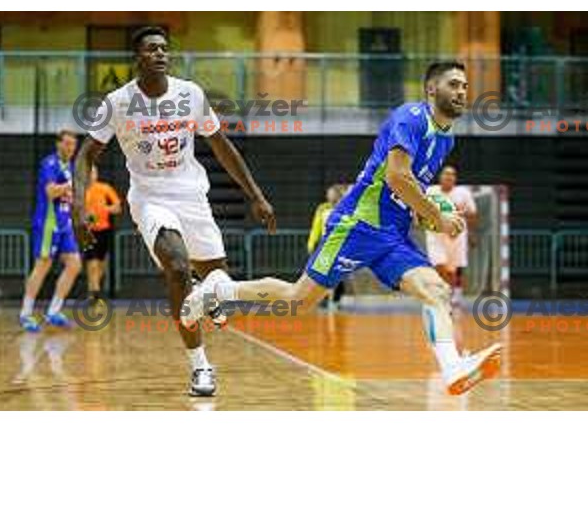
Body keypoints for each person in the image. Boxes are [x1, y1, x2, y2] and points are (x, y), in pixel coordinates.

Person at [184, 61, 501, 396]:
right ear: (431, 89)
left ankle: (452, 368)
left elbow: (412, 191)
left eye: (465, 86)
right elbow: (397, 176)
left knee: (436, 291)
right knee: (298, 300)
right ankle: (217, 291)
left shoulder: (445, 140)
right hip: (357, 226)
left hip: (393, 236)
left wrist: (428, 215)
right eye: (453, 84)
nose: (462, 92)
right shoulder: (411, 117)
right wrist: (438, 216)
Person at [72, 26, 275, 397]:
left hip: (192, 195)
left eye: (165, 48)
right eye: (152, 49)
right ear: (138, 58)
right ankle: (200, 366)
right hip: (150, 197)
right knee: (178, 268)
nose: (161, 54)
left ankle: (209, 292)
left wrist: (256, 195)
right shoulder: (118, 102)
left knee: (221, 287)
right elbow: (86, 154)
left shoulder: (191, 94)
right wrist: (77, 205)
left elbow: (221, 144)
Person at [20, 130, 82, 332]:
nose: (70, 148)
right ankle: (26, 313)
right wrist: (71, 185)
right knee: (43, 265)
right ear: (58, 144)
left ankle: (54, 310)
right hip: (48, 223)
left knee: (74, 265)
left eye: (73, 145)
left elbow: (68, 195)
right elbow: (50, 191)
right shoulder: (50, 163)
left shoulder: (71, 167)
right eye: (66, 144)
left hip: (65, 223)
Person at [425, 165, 478, 303]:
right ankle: (444, 291)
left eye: (452, 174)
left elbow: (472, 213)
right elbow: (420, 209)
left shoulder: (463, 193)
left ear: (455, 179)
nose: (449, 177)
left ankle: (455, 293)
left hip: (457, 235)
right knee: (439, 264)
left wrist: (472, 234)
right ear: (440, 177)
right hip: (435, 235)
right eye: (446, 174)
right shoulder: (431, 191)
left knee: (454, 269)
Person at [83, 165, 122, 299]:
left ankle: (93, 287)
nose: (90, 175)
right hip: (88, 231)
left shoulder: (104, 188)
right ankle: (94, 291)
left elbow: (117, 207)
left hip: (104, 229)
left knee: (101, 263)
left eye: (93, 172)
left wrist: (104, 209)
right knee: (92, 261)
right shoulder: (81, 191)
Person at [307, 184, 345, 309]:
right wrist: (311, 243)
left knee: (337, 274)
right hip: (325, 245)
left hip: (340, 245)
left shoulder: (344, 208)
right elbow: (316, 227)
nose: (330, 196)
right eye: (329, 194)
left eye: (333, 193)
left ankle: (336, 299)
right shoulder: (322, 208)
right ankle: (323, 299)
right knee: (322, 273)